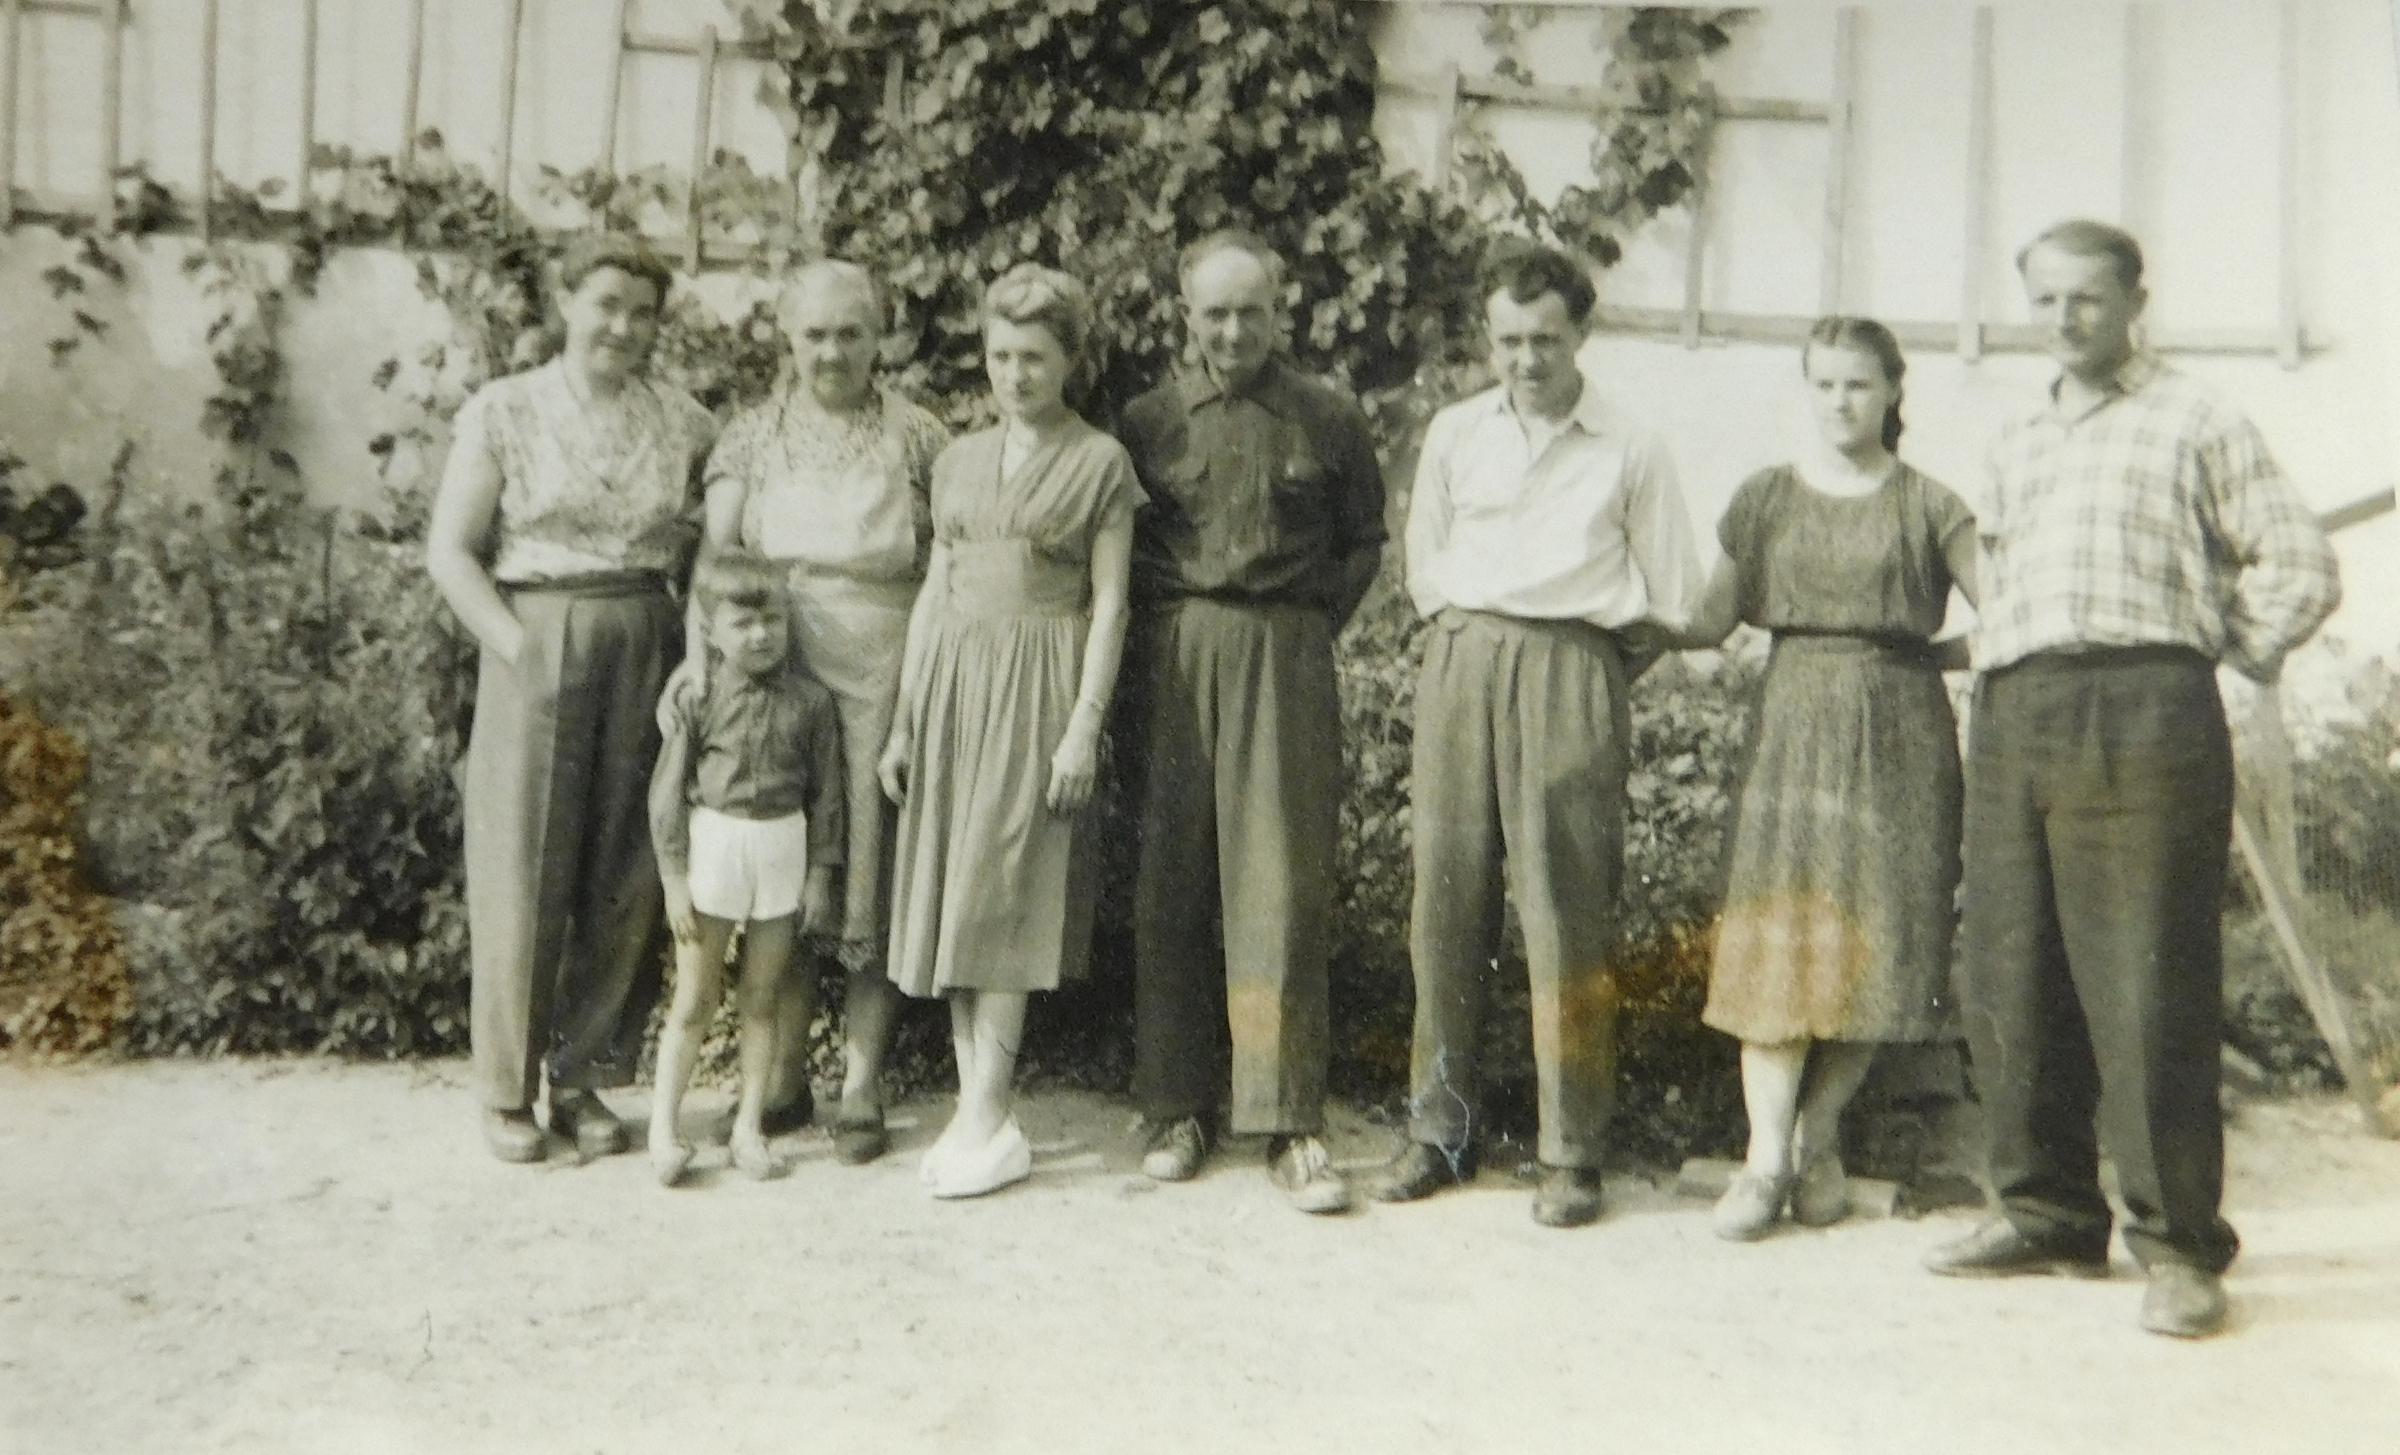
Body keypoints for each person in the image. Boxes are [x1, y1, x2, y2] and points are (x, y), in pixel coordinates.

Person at [1928, 220, 2339, 1339]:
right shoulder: (2015, 434)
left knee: (2148, 982)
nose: (2064, 319)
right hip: (2019, 710)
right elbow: (2009, 585)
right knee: (2014, 971)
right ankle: (2046, 1213)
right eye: (2045, 299)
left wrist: (2215, 646)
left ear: (2134, 304)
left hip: (2146, 709)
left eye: (2088, 298)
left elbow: (2301, 561)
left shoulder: (2197, 417)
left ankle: (2179, 1247)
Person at [1368, 242, 1704, 1227]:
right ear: (1490, 339)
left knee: (1566, 909)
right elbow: (1425, 562)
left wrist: (1588, 670)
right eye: (1509, 341)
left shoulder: (1630, 446)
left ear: (1580, 335)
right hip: (1463, 661)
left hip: (1572, 667)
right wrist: (1468, 640)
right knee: (1445, 905)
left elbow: (1674, 597)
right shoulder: (1456, 432)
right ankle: (1440, 1129)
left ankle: (1571, 1149)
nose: (1526, 360)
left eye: (1545, 340)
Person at [1669, 318, 1980, 1240]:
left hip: (1900, 732)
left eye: (1858, 384)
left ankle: (1820, 1135)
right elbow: (1707, 619)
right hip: (1792, 725)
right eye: (1825, 384)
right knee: (1778, 933)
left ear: (1892, 391)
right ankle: (1766, 1159)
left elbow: (2014, 613)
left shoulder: (1931, 506)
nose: (1840, 401)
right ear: (1807, 391)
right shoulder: (1765, 498)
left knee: (1881, 931)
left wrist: (1933, 657)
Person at [426, 235, 717, 1163]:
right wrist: (517, 647)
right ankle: (504, 1088)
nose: (622, 327)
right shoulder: (505, 410)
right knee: (525, 863)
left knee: (627, 864)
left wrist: (693, 644)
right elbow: (451, 551)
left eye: (642, 312)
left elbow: (712, 543)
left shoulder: (685, 421)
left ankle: (585, 1077)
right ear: (566, 303)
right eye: (606, 305)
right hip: (537, 632)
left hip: (647, 636)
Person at [1113, 231, 1385, 1215]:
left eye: (1251, 312)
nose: (1233, 331)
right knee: (1172, 880)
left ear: (1281, 311)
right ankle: (1176, 1108)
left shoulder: (1328, 416)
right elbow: (1118, 547)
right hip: (1174, 651)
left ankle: (1287, 1119)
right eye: (1215, 314)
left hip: (1285, 651)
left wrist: (1302, 631)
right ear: (1186, 316)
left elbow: (1363, 542)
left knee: (1279, 888)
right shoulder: (1147, 421)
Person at [878, 263, 1145, 1199]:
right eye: (1000, 356)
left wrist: (1083, 727)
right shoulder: (956, 460)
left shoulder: (1101, 462)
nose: (1015, 375)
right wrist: (905, 720)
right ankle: (980, 1112)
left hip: (1038, 686)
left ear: (1070, 360)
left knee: (1004, 890)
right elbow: (932, 594)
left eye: (1034, 357)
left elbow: (1110, 606)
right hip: (954, 684)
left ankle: (986, 1112)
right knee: (960, 890)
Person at [677, 260, 951, 1164]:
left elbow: (951, 561)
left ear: (880, 337)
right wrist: (700, 665)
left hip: (886, 670)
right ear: (787, 339)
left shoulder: (921, 436)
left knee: (872, 867)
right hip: (775, 670)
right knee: (784, 866)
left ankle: (862, 1082)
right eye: (815, 334)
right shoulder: (749, 437)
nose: (833, 351)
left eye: (851, 333)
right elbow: (714, 565)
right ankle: (785, 1076)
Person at [646, 552, 847, 1186]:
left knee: (762, 996)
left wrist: (820, 874)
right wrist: (674, 878)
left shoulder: (812, 703)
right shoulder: (698, 697)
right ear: (711, 631)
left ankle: (748, 1128)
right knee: (695, 997)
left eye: (773, 621)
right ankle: (663, 1132)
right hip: (715, 847)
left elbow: (827, 797)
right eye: (743, 623)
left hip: (782, 849)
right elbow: (667, 793)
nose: (761, 635)